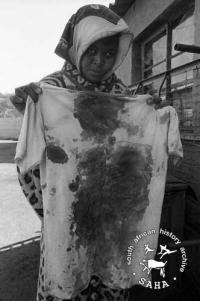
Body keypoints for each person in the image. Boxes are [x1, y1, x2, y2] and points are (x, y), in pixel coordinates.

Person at [11, 4, 135, 301]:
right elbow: (30, 158)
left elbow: (135, 146)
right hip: (66, 212)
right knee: (66, 280)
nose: (99, 61)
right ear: (77, 46)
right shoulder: (52, 89)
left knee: (109, 281)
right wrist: (26, 103)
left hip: (112, 217)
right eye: (92, 51)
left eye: (108, 54)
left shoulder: (124, 96)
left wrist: (152, 112)